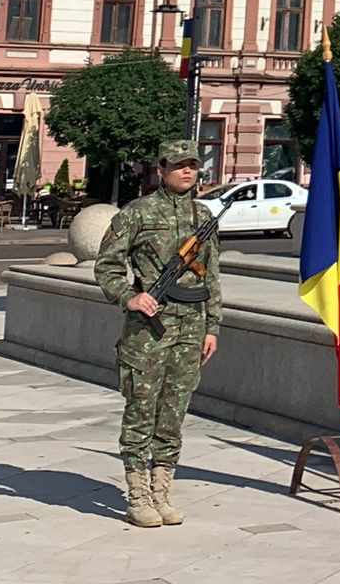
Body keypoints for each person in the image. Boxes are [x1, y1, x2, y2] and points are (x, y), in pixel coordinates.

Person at [93, 140, 222, 528]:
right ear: (161, 170)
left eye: (193, 165)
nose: (187, 171)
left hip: (191, 328)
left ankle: (161, 489)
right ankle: (137, 494)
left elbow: (212, 277)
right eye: (179, 165)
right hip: (149, 330)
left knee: (174, 412)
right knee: (141, 410)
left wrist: (212, 326)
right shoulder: (137, 213)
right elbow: (107, 267)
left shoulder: (203, 215)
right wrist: (130, 297)